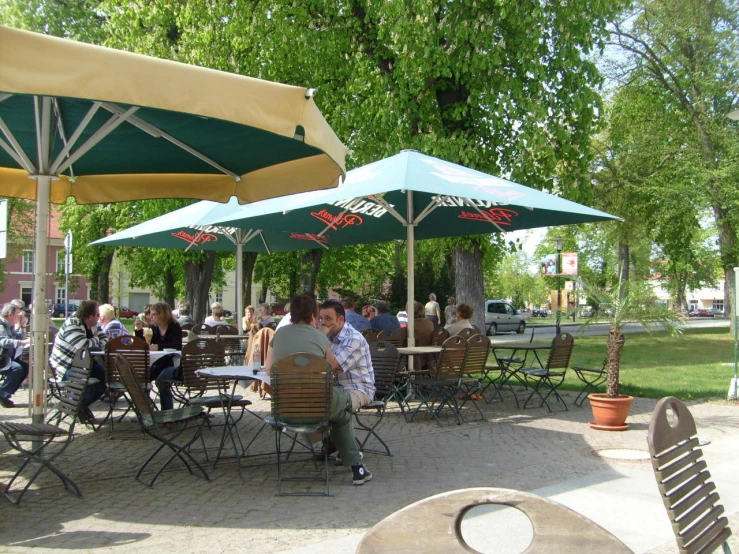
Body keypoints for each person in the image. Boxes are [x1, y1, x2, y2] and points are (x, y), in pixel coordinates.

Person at [264, 294, 373, 485]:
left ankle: (333, 446)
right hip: (322, 402)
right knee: (341, 412)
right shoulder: (319, 336)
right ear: (314, 315)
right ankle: (357, 468)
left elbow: (268, 370)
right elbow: (331, 367)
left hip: (284, 409)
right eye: (320, 317)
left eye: (327, 319)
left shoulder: (278, 335)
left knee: (329, 406)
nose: (322, 322)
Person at [50, 300, 108, 422]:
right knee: (84, 382)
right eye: (97, 315)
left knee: (107, 378)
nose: (99, 318)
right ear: (90, 316)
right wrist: (96, 338)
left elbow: (106, 340)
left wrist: (95, 340)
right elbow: (83, 346)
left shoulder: (93, 324)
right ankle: (75, 406)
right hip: (66, 365)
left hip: (85, 363)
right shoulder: (72, 324)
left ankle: (79, 406)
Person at [134, 302, 182, 410]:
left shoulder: (174, 327)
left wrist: (158, 346)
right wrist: (139, 330)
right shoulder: (154, 329)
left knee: (161, 380)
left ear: (162, 314)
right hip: (158, 362)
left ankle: (167, 411)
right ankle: (145, 409)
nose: (150, 317)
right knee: (143, 378)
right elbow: (145, 345)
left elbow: (176, 345)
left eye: (153, 314)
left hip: (173, 364)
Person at [0, 303, 30, 408]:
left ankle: (5, 394)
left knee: (25, 367)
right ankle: (2, 394)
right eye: (18, 315)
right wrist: (23, 342)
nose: (19, 316)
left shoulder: (9, 325)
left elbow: (18, 337)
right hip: (2, 359)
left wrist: (22, 325)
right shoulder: (1, 325)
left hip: (5, 358)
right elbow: (3, 341)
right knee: (16, 368)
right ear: (10, 314)